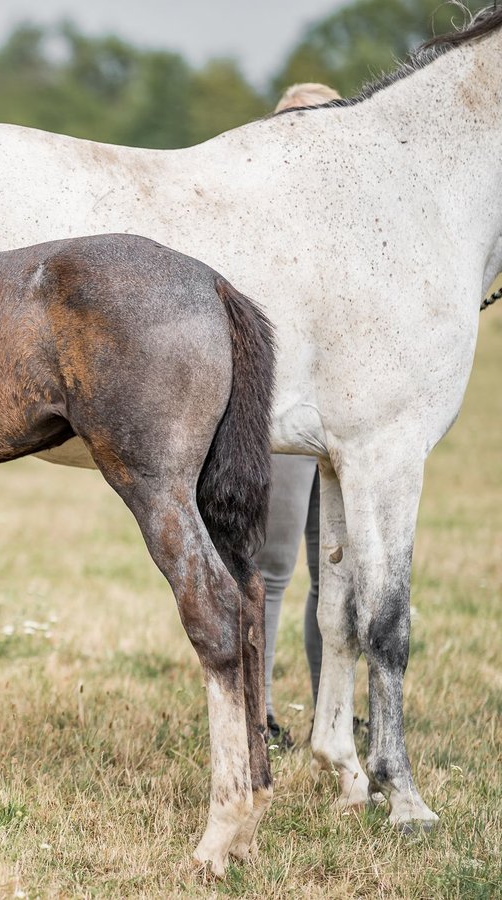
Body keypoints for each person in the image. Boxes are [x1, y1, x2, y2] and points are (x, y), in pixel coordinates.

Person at [259, 82, 342, 748]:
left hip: (341, 414)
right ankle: (257, 709)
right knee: (274, 563)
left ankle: (332, 713)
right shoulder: (257, 223)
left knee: (337, 564)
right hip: (283, 406)